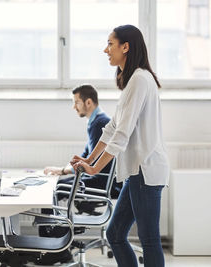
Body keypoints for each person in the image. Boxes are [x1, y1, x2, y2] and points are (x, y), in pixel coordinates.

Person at [72, 25, 169, 267]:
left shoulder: (139, 80)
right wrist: (89, 161)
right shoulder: (133, 81)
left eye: (110, 44)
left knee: (149, 240)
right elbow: (112, 128)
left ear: (125, 47)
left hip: (145, 172)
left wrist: (94, 168)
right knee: (115, 234)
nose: (106, 50)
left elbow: (121, 135)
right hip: (136, 173)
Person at [44, 84, 121, 198]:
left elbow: (94, 162)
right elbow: (87, 154)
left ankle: (50, 216)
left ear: (88, 102)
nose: (74, 107)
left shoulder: (100, 123)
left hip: (102, 181)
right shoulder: (94, 122)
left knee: (57, 189)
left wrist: (63, 171)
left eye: (77, 102)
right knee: (56, 184)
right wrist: (62, 170)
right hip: (96, 177)